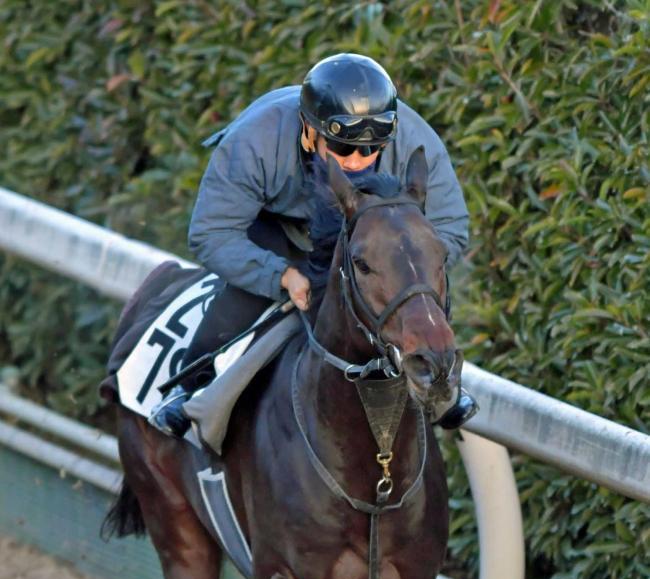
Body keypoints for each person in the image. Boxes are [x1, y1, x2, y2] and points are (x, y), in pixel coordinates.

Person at [149, 52, 477, 437]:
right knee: (245, 300)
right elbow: (210, 232)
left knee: (415, 290)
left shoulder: (417, 142)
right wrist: (281, 276)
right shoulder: (255, 140)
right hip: (280, 235)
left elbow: (449, 229)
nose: (358, 161)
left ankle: (444, 383)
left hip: (373, 247)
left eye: (371, 150)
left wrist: (403, 276)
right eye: (343, 148)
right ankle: (194, 383)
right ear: (309, 130)